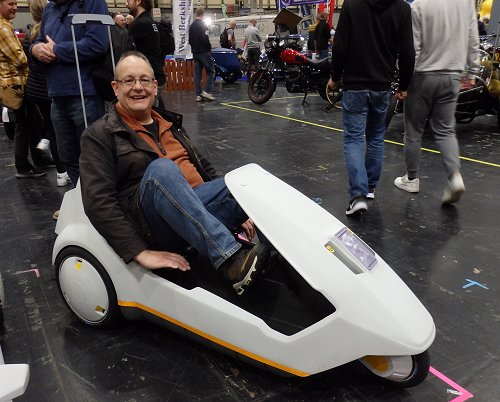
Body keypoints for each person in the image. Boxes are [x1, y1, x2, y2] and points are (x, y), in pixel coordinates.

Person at [79, 51, 270, 295]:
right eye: (129, 81)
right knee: (162, 169)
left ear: (155, 86)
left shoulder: (169, 124)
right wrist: (140, 252)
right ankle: (230, 260)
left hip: (198, 210)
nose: (138, 87)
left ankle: (286, 257)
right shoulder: (100, 135)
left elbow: (204, 168)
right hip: (155, 226)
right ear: (116, 88)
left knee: (248, 179)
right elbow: (98, 202)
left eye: (144, 80)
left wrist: (236, 201)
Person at [328, 0, 415, 216]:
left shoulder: (352, 4)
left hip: (355, 85)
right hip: (382, 87)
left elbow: (340, 45)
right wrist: (404, 85)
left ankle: (358, 195)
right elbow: (407, 52)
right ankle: (369, 189)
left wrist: (334, 77)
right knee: (376, 137)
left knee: (354, 139)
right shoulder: (402, 8)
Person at [394, 0, 479, 205]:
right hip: (452, 76)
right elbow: (472, 39)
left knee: (414, 130)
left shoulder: (419, 5)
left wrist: (403, 79)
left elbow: (412, 47)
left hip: (422, 76)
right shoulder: (465, 4)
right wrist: (472, 70)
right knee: (445, 130)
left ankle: (411, 179)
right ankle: (455, 177)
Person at [31, 0, 109, 186]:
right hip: (57, 95)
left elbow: (98, 43)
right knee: (67, 156)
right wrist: (35, 49)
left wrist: (57, 50)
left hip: (85, 94)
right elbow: (39, 40)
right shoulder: (50, 8)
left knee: (94, 156)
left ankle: (97, 206)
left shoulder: (93, 2)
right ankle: (80, 201)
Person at [24, 0, 70, 186]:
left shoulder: (31, 34)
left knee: (49, 123)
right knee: (58, 130)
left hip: (35, 89)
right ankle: (60, 168)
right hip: (49, 88)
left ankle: (58, 168)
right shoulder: (51, 32)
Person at [0, 0, 45, 178]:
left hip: (16, 83)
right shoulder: (3, 28)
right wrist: (35, 53)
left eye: (16, 3)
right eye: (10, 3)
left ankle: (36, 159)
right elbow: (20, 59)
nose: (15, 7)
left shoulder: (6, 25)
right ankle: (24, 166)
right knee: (24, 125)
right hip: (16, 84)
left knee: (30, 123)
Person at [126, 0, 166, 98]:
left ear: (138, 1)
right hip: (154, 75)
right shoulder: (149, 21)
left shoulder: (141, 24)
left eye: (128, 0)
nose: (126, 4)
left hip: (148, 79)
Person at [188, 7, 215, 102]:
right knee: (211, 72)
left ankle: (199, 95)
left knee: (197, 74)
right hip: (204, 52)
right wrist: (209, 48)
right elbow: (205, 39)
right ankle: (206, 92)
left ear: (196, 14)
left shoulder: (191, 26)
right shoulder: (204, 25)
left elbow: (190, 40)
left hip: (195, 52)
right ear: (203, 15)